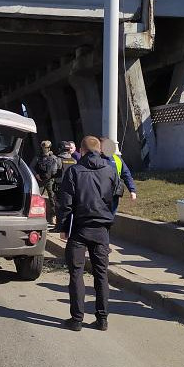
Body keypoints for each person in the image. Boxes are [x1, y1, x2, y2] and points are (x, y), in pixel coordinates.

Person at [57, 136, 120, 332]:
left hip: (79, 229)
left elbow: (65, 204)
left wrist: (64, 228)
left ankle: (76, 319)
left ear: (82, 151)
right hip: (101, 230)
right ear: (100, 150)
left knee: (76, 274)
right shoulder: (110, 170)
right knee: (101, 275)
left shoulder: (73, 171)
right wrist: (108, 216)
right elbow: (117, 194)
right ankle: (102, 320)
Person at [99, 137, 137, 214]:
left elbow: (126, 174)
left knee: (110, 216)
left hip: (113, 194)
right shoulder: (96, 158)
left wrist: (132, 190)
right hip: (98, 193)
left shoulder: (117, 159)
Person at [30, 140, 60, 225]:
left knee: (52, 198)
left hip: (50, 180)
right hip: (40, 180)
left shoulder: (54, 157)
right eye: (43, 148)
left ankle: (53, 216)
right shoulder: (38, 157)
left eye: (46, 148)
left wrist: (52, 175)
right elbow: (31, 167)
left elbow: (57, 169)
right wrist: (36, 175)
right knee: (36, 197)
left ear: (49, 148)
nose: (44, 149)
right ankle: (35, 215)